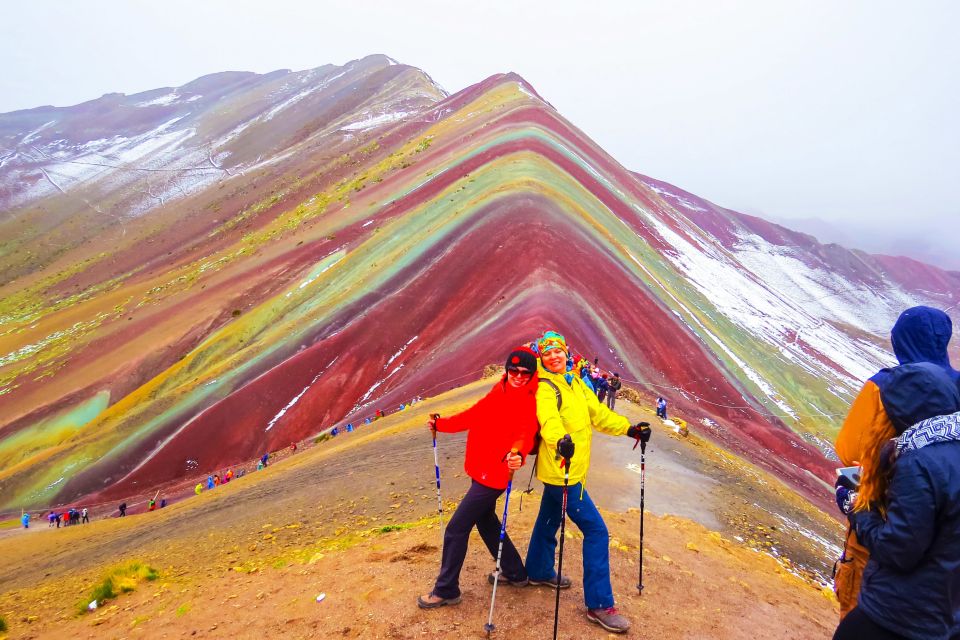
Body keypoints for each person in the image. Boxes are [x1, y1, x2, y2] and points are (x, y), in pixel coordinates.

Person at [833, 306, 959, 620]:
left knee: (862, 610)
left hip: (880, 525)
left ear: (900, 341)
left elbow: (849, 451)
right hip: (944, 535)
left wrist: (853, 502)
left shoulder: (885, 386)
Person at [525, 330, 651, 634]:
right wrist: (559, 441)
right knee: (596, 531)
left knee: (549, 517)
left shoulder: (576, 383)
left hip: (572, 471)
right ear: (542, 357)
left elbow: (599, 415)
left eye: (558, 351)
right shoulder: (545, 388)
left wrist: (630, 429)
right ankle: (599, 604)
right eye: (548, 353)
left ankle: (538, 570)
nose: (554, 356)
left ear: (567, 353)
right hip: (562, 473)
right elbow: (548, 421)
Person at [418, 347, 541, 609]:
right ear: (507, 370)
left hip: (494, 473)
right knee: (486, 521)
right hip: (480, 468)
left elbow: (526, 432)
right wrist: (442, 425)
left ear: (532, 375)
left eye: (525, 372)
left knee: (456, 528)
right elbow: (472, 415)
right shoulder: (500, 391)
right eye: (514, 370)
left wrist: (516, 452)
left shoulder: (529, 400)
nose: (519, 376)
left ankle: (446, 589)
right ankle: (515, 571)